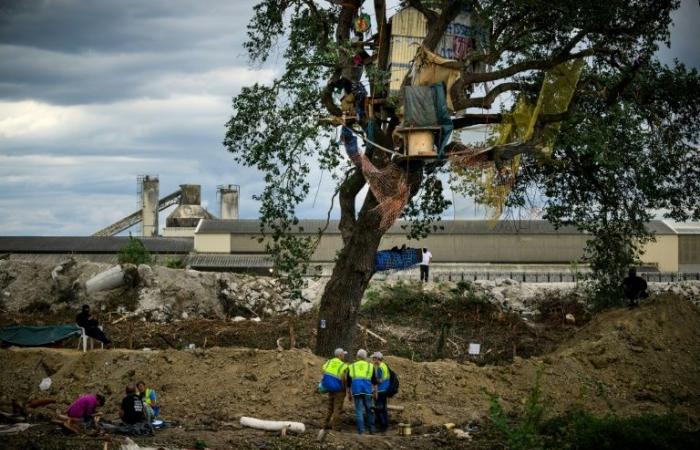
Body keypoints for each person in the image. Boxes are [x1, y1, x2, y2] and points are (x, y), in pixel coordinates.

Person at [347, 349, 377, 435]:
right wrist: (375, 392)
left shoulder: (351, 366)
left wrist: (349, 393)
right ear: (365, 357)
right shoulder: (370, 366)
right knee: (369, 410)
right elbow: (374, 380)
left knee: (359, 411)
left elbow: (348, 382)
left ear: (357, 357)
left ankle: (361, 431)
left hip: (356, 390)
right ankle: (372, 430)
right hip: (367, 390)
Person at [319, 348, 349, 431]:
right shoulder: (343, 366)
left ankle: (325, 424)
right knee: (337, 408)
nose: (344, 356)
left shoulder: (328, 362)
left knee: (330, 407)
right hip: (338, 389)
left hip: (330, 388)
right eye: (343, 354)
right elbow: (344, 378)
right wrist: (344, 389)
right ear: (340, 355)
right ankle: (335, 427)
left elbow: (323, 369)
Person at [371, 352, 390, 432]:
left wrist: (373, 382)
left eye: (374, 358)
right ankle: (386, 425)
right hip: (385, 389)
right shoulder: (385, 366)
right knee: (384, 409)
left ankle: (382, 427)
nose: (373, 360)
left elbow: (380, 380)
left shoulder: (379, 368)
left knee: (379, 409)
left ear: (377, 359)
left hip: (381, 390)